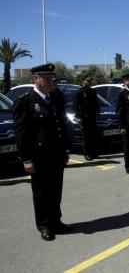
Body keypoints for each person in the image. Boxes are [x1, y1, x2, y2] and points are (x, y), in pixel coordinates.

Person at [13, 63, 73, 241]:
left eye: (51, 78)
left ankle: (56, 221)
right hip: (39, 156)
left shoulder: (54, 98)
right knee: (41, 192)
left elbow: (60, 126)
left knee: (56, 190)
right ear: (35, 79)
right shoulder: (25, 100)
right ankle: (44, 224)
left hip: (56, 154)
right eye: (46, 78)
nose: (50, 82)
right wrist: (26, 159)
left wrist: (65, 150)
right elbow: (21, 132)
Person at [74, 76, 100, 161]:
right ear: (83, 81)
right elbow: (76, 106)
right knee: (86, 136)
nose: (89, 82)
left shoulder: (92, 91)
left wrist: (98, 113)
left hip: (92, 116)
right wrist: (78, 117)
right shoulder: (79, 92)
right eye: (87, 81)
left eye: (90, 81)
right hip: (84, 117)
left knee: (93, 135)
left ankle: (94, 152)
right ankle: (87, 153)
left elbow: (96, 103)